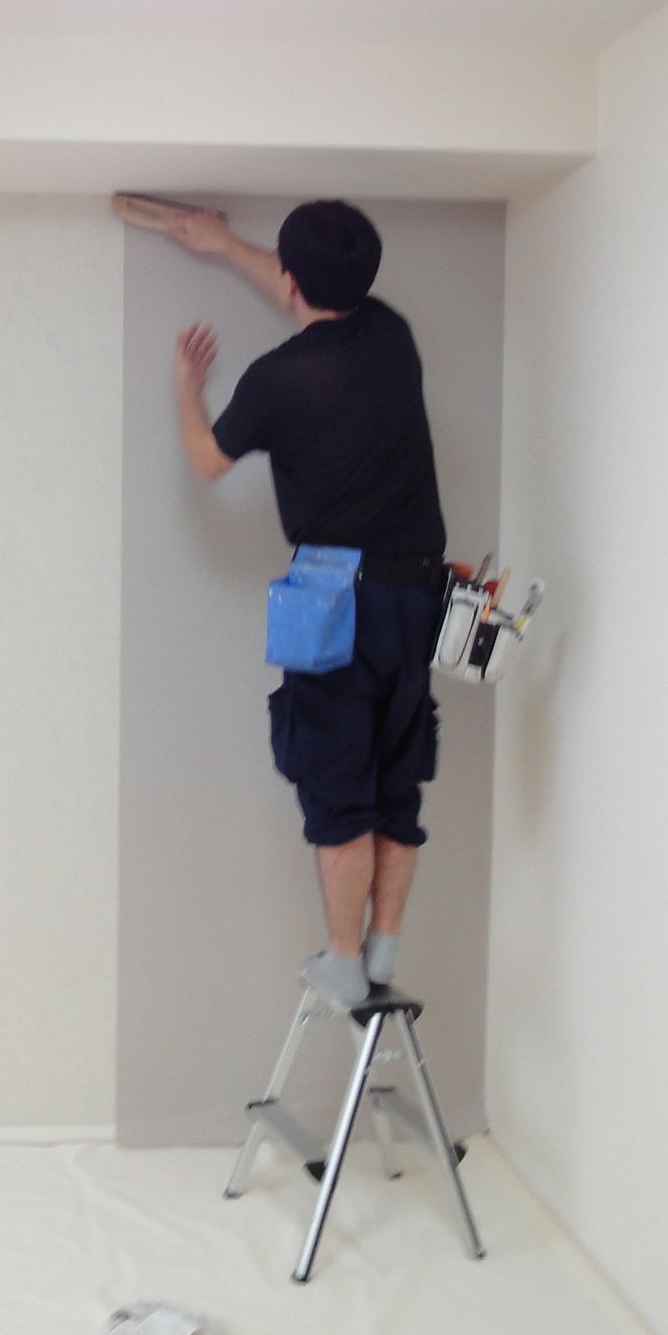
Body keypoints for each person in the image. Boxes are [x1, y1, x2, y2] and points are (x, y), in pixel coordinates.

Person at [166, 200, 446, 1009]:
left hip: (330, 597)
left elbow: (207, 460)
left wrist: (186, 387)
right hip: (415, 592)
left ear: (290, 282)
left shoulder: (275, 381)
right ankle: (384, 945)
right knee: (397, 784)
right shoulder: (391, 335)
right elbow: (315, 286)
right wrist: (226, 244)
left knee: (337, 787)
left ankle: (344, 960)